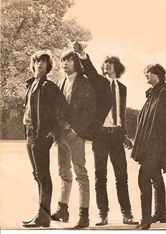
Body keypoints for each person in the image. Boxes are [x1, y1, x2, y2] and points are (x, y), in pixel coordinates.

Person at [73, 42, 137, 226]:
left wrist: (124, 134)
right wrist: (82, 54)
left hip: (117, 135)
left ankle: (127, 213)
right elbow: (91, 71)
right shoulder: (99, 83)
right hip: (100, 135)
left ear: (117, 67)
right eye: (104, 63)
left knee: (122, 176)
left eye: (110, 63)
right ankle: (103, 214)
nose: (106, 65)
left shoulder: (122, 88)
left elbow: (121, 113)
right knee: (100, 176)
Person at [131, 63, 166, 230]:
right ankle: (160, 212)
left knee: (143, 177)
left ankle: (146, 220)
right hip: (148, 145)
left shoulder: (165, 93)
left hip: (157, 146)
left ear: (158, 74)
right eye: (145, 72)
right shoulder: (152, 94)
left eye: (149, 72)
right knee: (155, 178)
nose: (146, 75)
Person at [51, 50, 96, 229]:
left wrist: (77, 130)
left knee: (80, 173)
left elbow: (90, 110)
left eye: (69, 60)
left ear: (76, 63)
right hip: (61, 133)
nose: (64, 64)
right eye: (62, 61)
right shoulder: (61, 81)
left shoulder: (84, 82)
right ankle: (62, 209)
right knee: (64, 172)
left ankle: (84, 216)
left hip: (75, 134)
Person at [22, 50, 68, 228]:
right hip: (30, 133)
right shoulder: (32, 84)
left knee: (43, 175)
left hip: (41, 134)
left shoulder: (49, 85)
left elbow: (62, 108)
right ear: (33, 64)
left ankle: (44, 216)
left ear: (48, 66)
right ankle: (41, 214)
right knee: (37, 175)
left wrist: (53, 130)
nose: (40, 64)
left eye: (43, 62)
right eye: (37, 61)